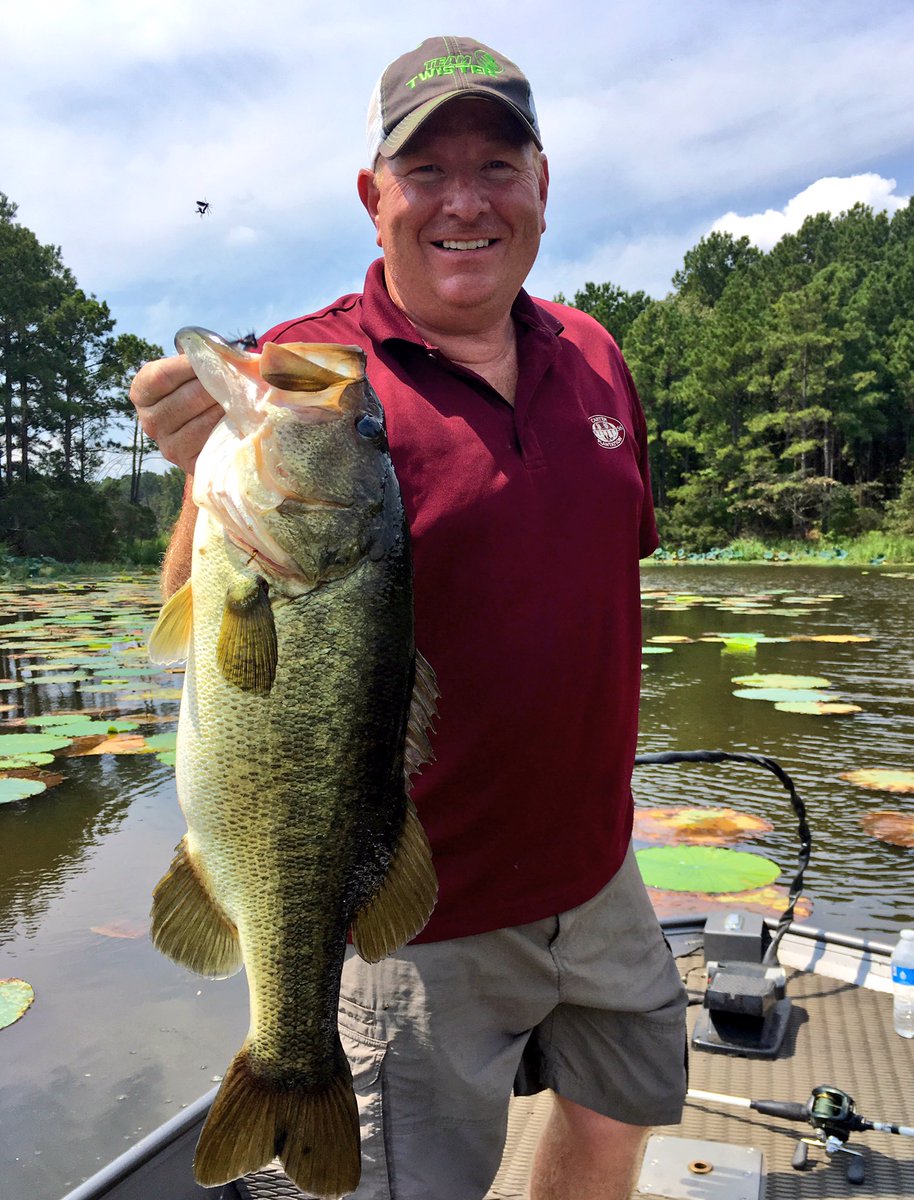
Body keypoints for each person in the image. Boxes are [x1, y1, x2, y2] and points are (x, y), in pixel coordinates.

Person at [131, 36, 688, 1200]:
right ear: (371, 195)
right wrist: (203, 471)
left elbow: (596, 575)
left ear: (543, 183)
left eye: (495, 163)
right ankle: (291, 1059)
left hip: (597, 874)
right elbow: (195, 613)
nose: (463, 201)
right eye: (424, 170)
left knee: (613, 1116)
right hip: (409, 916)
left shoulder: (592, 353)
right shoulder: (305, 374)